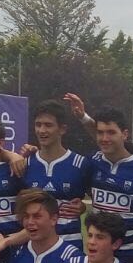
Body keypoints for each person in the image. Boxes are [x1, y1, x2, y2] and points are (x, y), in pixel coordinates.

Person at [83, 107, 133, 263]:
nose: (104, 138)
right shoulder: (91, 162)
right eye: (100, 132)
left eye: (111, 132)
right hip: (99, 255)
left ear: (125, 134)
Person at [20, 100, 89, 246]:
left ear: (62, 129)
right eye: (38, 125)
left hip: (70, 245)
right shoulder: (25, 164)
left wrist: (83, 207)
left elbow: (99, 201)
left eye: (48, 125)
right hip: (36, 246)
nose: (42, 130)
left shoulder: (80, 163)